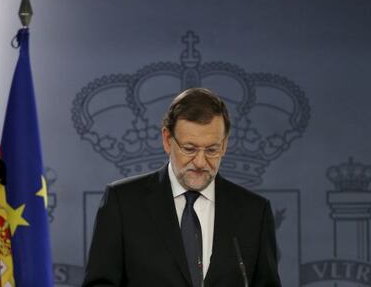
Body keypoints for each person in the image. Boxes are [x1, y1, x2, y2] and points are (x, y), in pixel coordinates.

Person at [82, 88, 282, 287]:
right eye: (189, 149)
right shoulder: (123, 202)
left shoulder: (254, 211)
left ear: (224, 145)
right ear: (167, 140)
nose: (200, 162)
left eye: (212, 149)